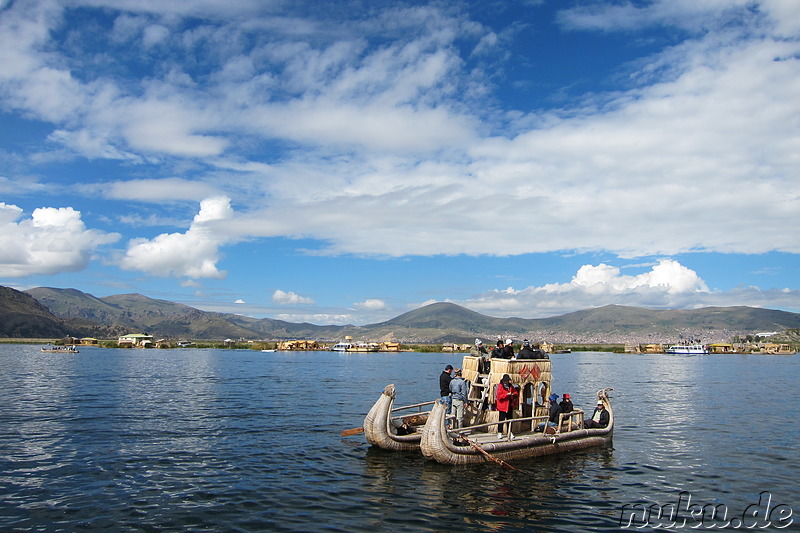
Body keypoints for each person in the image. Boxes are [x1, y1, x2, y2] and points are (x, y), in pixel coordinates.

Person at [495, 374, 519, 439]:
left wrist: (513, 394)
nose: (507, 382)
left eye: (508, 380)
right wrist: (506, 395)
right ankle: (500, 433)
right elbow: (499, 396)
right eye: (506, 381)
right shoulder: (500, 386)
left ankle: (510, 432)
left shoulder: (511, 386)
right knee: (501, 420)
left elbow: (516, 393)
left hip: (509, 406)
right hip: (502, 406)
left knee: (510, 420)